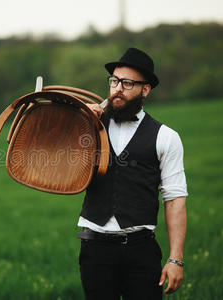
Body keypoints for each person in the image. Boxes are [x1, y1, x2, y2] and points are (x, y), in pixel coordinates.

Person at [78, 47, 188, 299]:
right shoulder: (89, 126)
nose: (117, 88)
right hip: (94, 248)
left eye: (127, 83)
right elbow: (58, 160)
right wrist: (77, 120)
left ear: (145, 90)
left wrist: (176, 260)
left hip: (141, 250)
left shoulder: (166, 137)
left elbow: (175, 200)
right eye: (114, 81)